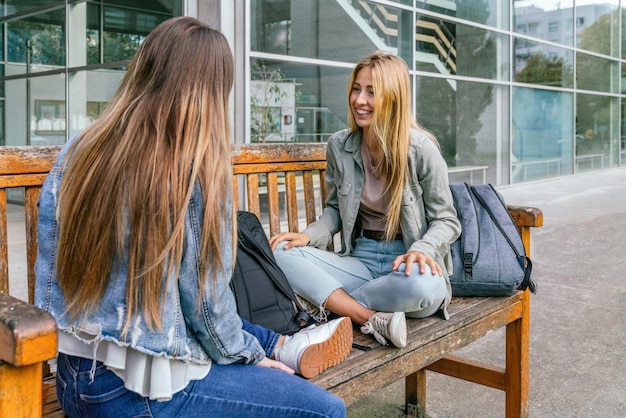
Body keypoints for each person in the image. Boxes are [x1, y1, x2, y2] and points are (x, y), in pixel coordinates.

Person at [34, 17, 350, 418]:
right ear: (212, 92)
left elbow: (52, 270)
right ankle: (283, 347)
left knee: (222, 324)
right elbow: (205, 307)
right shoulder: (191, 167)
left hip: (74, 380)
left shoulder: (79, 151)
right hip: (142, 395)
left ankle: (286, 345)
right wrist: (248, 359)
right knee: (327, 411)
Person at [269, 51, 461, 348]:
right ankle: (367, 316)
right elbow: (335, 209)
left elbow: (446, 219)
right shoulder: (340, 146)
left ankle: (334, 303)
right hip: (361, 261)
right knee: (280, 251)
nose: (360, 100)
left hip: (407, 267)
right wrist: (308, 236)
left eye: (372, 92)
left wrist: (422, 249)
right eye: (357, 89)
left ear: (394, 97)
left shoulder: (421, 150)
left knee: (421, 287)